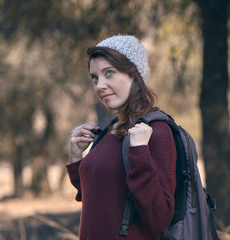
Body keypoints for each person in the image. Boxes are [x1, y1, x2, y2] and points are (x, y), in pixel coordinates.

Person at [67, 35, 177, 239]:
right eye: (95, 77)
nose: (99, 85)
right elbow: (98, 197)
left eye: (109, 73)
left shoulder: (157, 131)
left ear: (134, 75)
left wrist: (140, 154)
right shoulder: (107, 129)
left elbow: (159, 220)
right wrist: (76, 159)